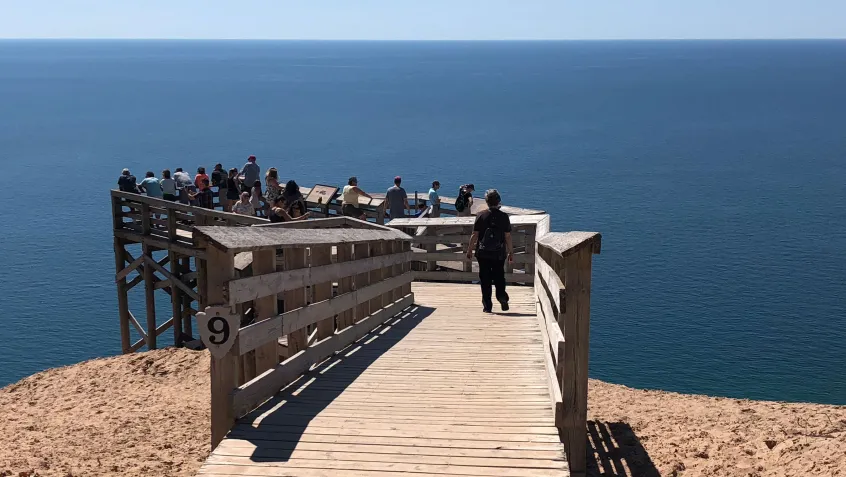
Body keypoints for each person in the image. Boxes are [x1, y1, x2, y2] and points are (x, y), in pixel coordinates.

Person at [466, 189, 513, 313]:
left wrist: (469, 250)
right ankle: (502, 296)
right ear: (498, 201)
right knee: (499, 277)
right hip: (499, 253)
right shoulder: (504, 217)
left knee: (485, 279)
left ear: (486, 202)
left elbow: (474, 235)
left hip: (483, 253)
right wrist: (511, 251)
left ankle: (487, 306)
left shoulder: (481, 215)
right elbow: (507, 236)